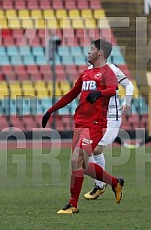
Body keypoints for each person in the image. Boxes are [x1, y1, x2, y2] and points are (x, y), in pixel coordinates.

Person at [42, 39, 124, 214]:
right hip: (80, 124)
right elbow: (72, 94)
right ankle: (115, 183)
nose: (88, 52)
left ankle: (73, 204)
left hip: (94, 125)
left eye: (92, 49)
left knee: (76, 161)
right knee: (83, 166)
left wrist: (99, 93)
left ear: (100, 53)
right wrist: (50, 111)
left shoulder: (107, 72)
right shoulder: (86, 74)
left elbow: (113, 89)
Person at [83, 63, 134, 200]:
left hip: (112, 116)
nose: (88, 53)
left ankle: (100, 185)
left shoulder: (112, 69)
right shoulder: (88, 70)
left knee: (96, 150)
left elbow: (129, 85)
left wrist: (127, 102)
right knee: (87, 151)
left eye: (91, 50)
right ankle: (102, 184)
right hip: (97, 116)